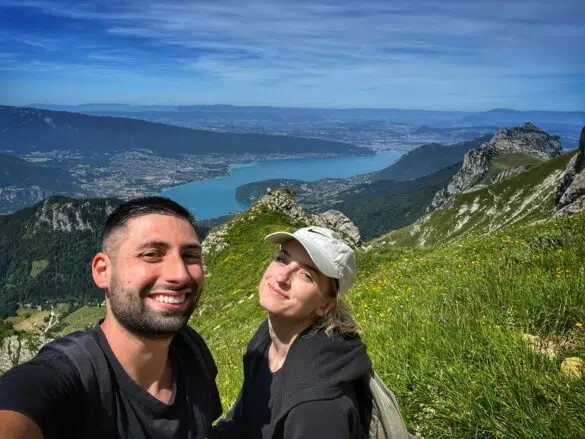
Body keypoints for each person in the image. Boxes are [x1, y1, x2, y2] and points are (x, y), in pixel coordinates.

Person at [0, 196, 222, 439]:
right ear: (103, 271)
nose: (180, 275)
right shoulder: (68, 376)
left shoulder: (191, 350)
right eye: (151, 254)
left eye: (190, 256)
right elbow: (20, 404)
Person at [213, 226, 373, 439]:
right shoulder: (267, 338)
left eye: (306, 275)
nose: (281, 277)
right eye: (282, 258)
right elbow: (244, 417)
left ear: (325, 305)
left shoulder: (317, 408)